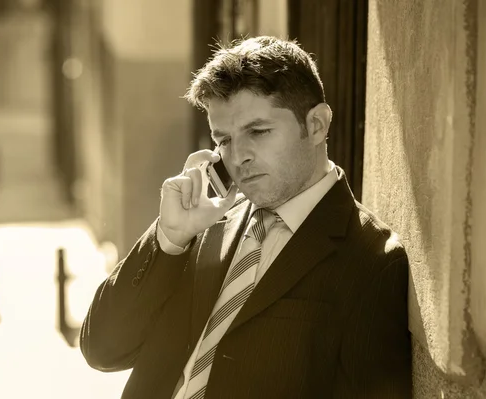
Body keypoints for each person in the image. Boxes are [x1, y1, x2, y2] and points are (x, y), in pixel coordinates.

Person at [80, 36, 412, 398]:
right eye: (223, 140)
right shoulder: (204, 226)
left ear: (316, 125)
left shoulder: (370, 260)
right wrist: (169, 239)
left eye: (258, 132)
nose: (238, 157)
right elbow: (102, 350)